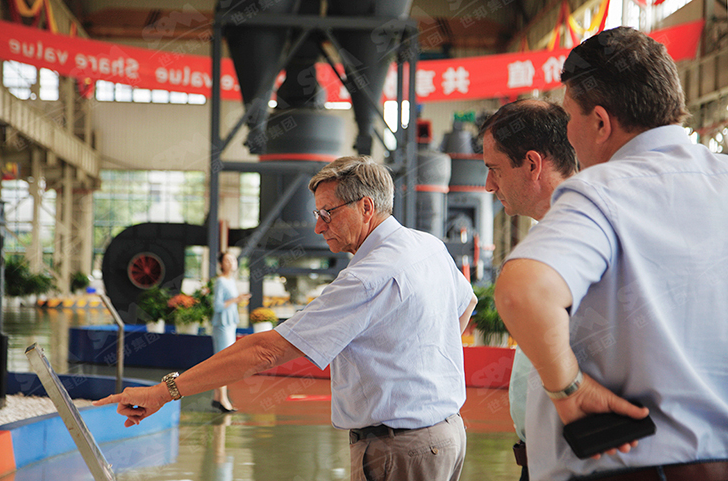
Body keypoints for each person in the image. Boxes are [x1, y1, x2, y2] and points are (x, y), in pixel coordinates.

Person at [95, 155, 478, 481]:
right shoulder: (428, 246)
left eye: (328, 213)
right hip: (446, 433)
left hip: (402, 448)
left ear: (365, 207)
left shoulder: (368, 276)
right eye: (317, 213)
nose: (318, 226)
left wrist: (162, 392)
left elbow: (264, 351)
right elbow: (465, 306)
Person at [494, 27, 728, 481]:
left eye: (569, 117)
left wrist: (568, 389)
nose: (568, 133)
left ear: (601, 122)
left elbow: (524, 292)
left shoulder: (602, 191)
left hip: (625, 463)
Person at [480, 98, 578, 481]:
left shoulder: (581, 237)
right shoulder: (552, 235)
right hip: (543, 456)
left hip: (573, 458)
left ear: (533, 164)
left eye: (495, 170)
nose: (488, 185)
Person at [210, 251, 250, 413]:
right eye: (227, 260)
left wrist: (237, 299)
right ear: (221, 264)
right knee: (223, 363)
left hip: (230, 323)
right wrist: (236, 299)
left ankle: (217, 397)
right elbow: (217, 306)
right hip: (222, 325)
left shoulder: (231, 280)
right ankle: (223, 399)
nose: (232, 262)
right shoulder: (220, 281)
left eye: (233, 259)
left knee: (225, 362)